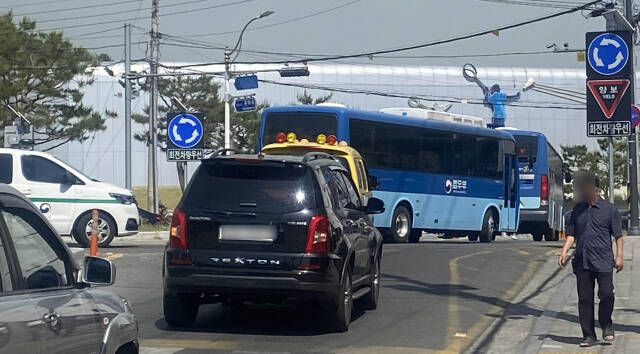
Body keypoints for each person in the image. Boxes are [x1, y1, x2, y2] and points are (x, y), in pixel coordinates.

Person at [558, 171, 624, 347]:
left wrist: (619, 257)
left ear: (595, 189)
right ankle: (588, 335)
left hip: (603, 260)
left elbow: (618, 236)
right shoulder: (577, 210)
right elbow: (571, 234)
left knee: (607, 293)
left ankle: (606, 324)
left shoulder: (609, 210)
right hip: (582, 260)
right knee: (585, 299)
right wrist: (564, 251)